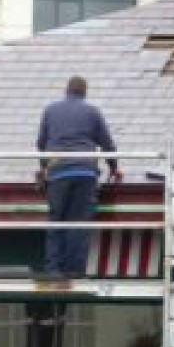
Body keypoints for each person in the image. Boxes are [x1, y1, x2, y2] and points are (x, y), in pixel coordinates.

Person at [36, 76, 123, 277]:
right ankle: (74, 273)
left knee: (56, 221)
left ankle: (54, 271)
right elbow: (108, 145)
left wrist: (44, 167)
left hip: (58, 173)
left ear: (66, 90)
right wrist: (114, 168)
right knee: (79, 223)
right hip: (84, 172)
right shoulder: (93, 112)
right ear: (84, 93)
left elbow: (41, 144)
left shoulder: (50, 110)